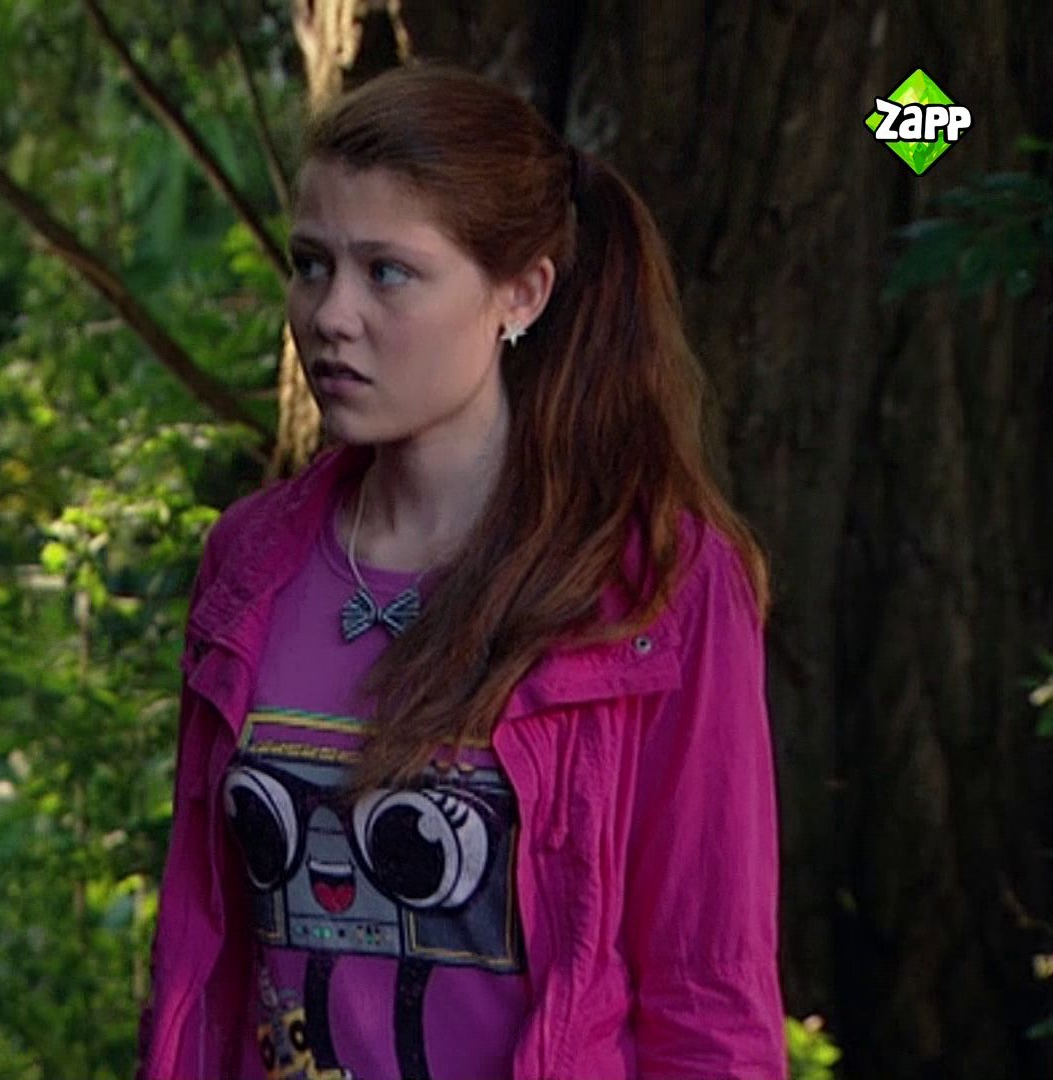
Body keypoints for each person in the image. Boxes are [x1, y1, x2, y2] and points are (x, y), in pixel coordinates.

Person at [136, 63, 785, 1080]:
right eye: (311, 265)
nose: (331, 314)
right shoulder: (250, 563)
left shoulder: (657, 584)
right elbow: (200, 962)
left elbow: (709, 996)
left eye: (388, 272)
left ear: (520, 293)